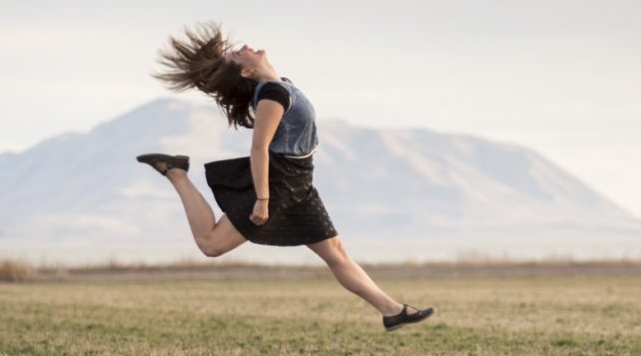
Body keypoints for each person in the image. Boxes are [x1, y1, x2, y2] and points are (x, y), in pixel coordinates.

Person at [137, 22, 433, 332]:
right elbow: (259, 147)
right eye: (239, 55)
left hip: (299, 181)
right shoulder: (273, 94)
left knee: (335, 253)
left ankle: (392, 311)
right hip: (279, 183)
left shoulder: (279, 85)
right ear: (246, 72)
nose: (245, 48)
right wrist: (263, 199)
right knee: (211, 244)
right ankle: (177, 174)